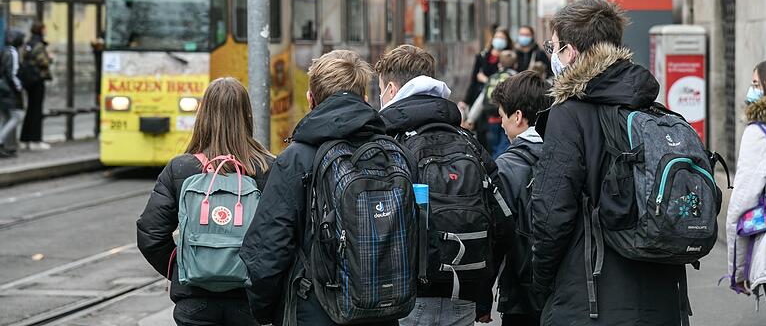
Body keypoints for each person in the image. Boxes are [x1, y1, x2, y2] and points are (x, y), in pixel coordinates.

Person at [531, 0, 687, 325]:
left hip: (590, 298)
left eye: (554, 47)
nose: (553, 56)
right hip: (663, 298)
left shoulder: (570, 114)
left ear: (571, 52)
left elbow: (551, 213)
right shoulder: (650, 107)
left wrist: (542, 281)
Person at [240, 50, 397, 326]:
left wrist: (263, 309)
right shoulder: (391, 152)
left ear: (311, 99)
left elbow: (269, 246)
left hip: (314, 309)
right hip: (383, 308)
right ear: (364, 98)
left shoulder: (297, 158)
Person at [376, 44, 500, 326]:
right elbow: (501, 221)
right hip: (463, 295)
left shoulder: (390, 146)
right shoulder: (467, 141)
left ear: (392, 90)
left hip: (407, 299)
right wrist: (481, 293)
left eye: (381, 88)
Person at [136, 77, 273, 326]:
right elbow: (283, 236)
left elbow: (150, 234)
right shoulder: (267, 168)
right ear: (247, 115)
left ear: (203, 114)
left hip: (194, 300)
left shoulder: (181, 168)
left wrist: (184, 269)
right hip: (249, 299)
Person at [490, 71, 552, 326]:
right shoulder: (566, 153)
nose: (501, 124)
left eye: (503, 116)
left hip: (521, 291)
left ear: (518, 117)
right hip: (564, 291)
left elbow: (498, 236)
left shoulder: (506, 166)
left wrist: (483, 295)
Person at [726, 60, 766, 297]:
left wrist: (737, 271)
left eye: (755, 83)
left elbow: (741, 207)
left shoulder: (759, 133)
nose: (750, 90)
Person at [462, 28, 514, 151]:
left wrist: (486, 79)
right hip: (485, 104)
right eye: (497, 37)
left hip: (502, 105)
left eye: (502, 38)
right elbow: (474, 81)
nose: (499, 40)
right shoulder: (483, 56)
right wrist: (465, 100)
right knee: (485, 137)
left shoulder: (510, 57)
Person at [465, 50, 518, 158]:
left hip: (491, 119)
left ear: (499, 64)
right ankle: (501, 169)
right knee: (505, 148)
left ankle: (495, 168)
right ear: (515, 64)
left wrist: (470, 118)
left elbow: (480, 100)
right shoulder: (516, 78)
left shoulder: (492, 78)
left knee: (494, 148)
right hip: (508, 119)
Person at [19, 21, 52, 151]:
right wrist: (50, 58)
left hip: (28, 81)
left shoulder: (28, 44)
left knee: (30, 110)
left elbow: (24, 59)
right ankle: (35, 140)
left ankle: (24, 139)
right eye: (45, 28)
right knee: (37, 110)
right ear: (41, 30)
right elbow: (43, 61)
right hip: (37, 80)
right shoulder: (39, 44)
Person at [0, 29, 25, 157]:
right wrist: (19, 87)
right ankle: (0, 142)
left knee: (6, 117)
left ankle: (3, 145)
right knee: (17, 116)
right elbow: (13, 73)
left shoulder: (4, 50)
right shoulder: (13, 52)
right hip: (9, 90)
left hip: (3, 90)